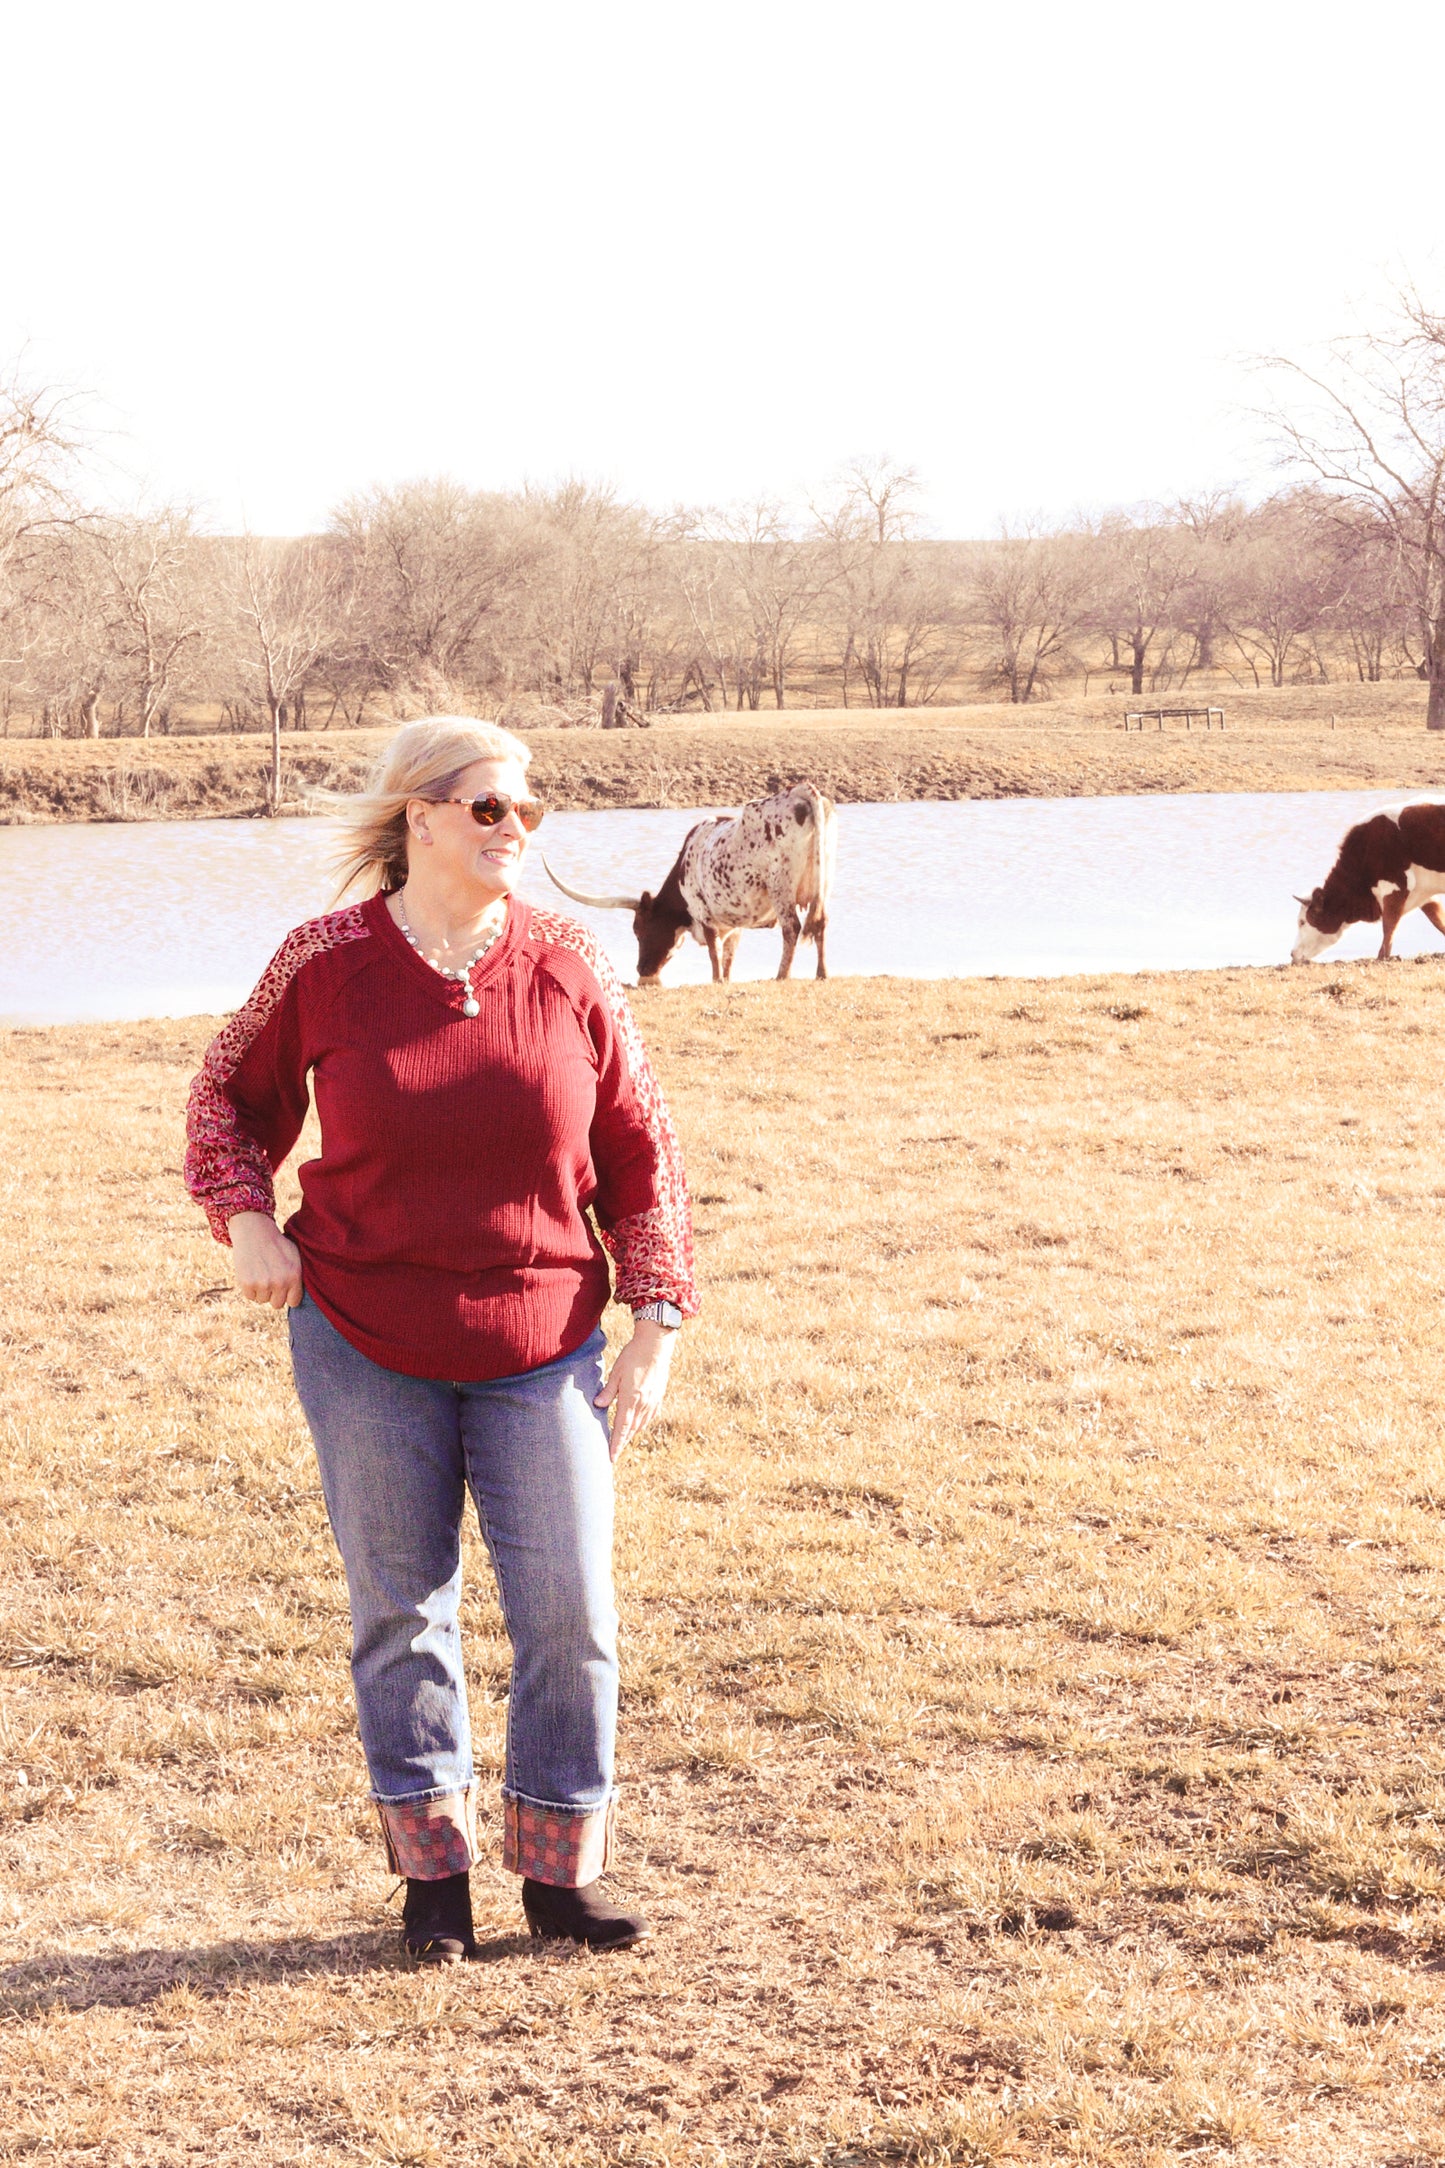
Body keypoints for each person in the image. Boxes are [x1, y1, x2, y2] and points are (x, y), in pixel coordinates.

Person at [184, 716, 696, 1964]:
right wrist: (247, 1221)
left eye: (528, 808)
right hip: (363, 1335)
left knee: (569, 1610)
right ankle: (434, 1882)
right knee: (399, 1610)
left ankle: (560, 1874)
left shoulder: (572, 959)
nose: (515, 828)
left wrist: (656, 1317)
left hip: (546, 1339)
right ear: (418, 814)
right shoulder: (325, 960)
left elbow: (640, 1149)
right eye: (487, 808)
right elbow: (223, 1102)